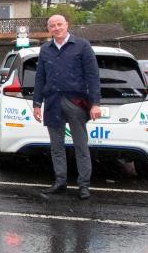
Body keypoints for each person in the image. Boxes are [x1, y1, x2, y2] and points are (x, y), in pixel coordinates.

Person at [33, 14, 101, 200]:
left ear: (67, 25)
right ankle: (60, 182)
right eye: (52, 25)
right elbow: (40, 78)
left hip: (76, 103)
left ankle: (84, 185)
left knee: (81, 146)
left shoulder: (82, 46)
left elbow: (92, 76)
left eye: (59, 24)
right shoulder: (45, 49)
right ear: (49, 29)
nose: (56, 28)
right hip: (52, 103)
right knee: (56, 147)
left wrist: (95, 103)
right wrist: (37, 103)